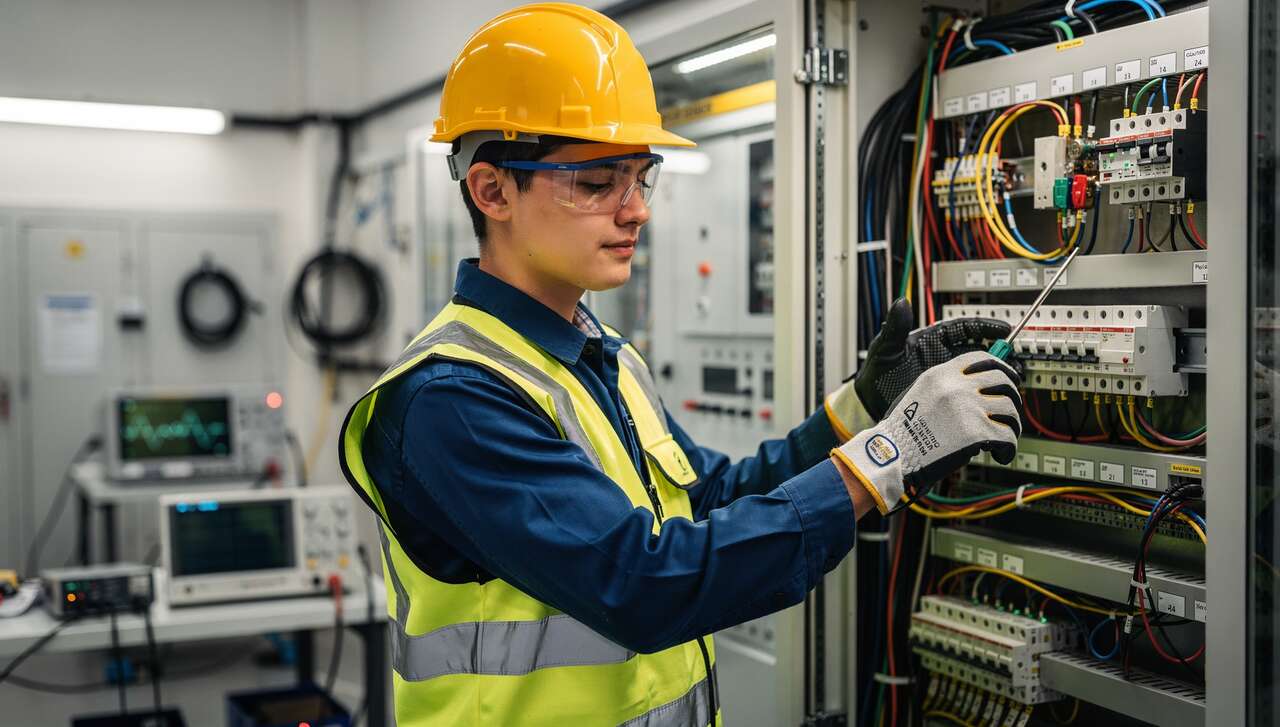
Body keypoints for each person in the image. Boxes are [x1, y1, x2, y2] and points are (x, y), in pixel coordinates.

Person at [337, 4, 1022, 725]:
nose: (635, 211)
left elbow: (707, 502)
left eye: (640, 178)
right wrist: (887, 456)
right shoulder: (452, 397)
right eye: (597, 182)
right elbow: (643, 581)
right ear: (492, 190)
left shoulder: (602, 358)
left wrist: (863, 408)